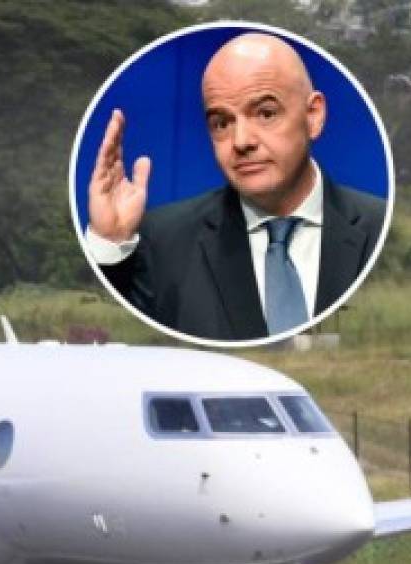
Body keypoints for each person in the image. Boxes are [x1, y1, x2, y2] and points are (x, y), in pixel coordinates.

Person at [84, 31, 385, 342]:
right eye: (222, 123)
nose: (241, 141)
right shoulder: (164, 243)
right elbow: (110, 339)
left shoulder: (381, 230)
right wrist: (110, 243)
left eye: (266, 114)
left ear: (313, 115)